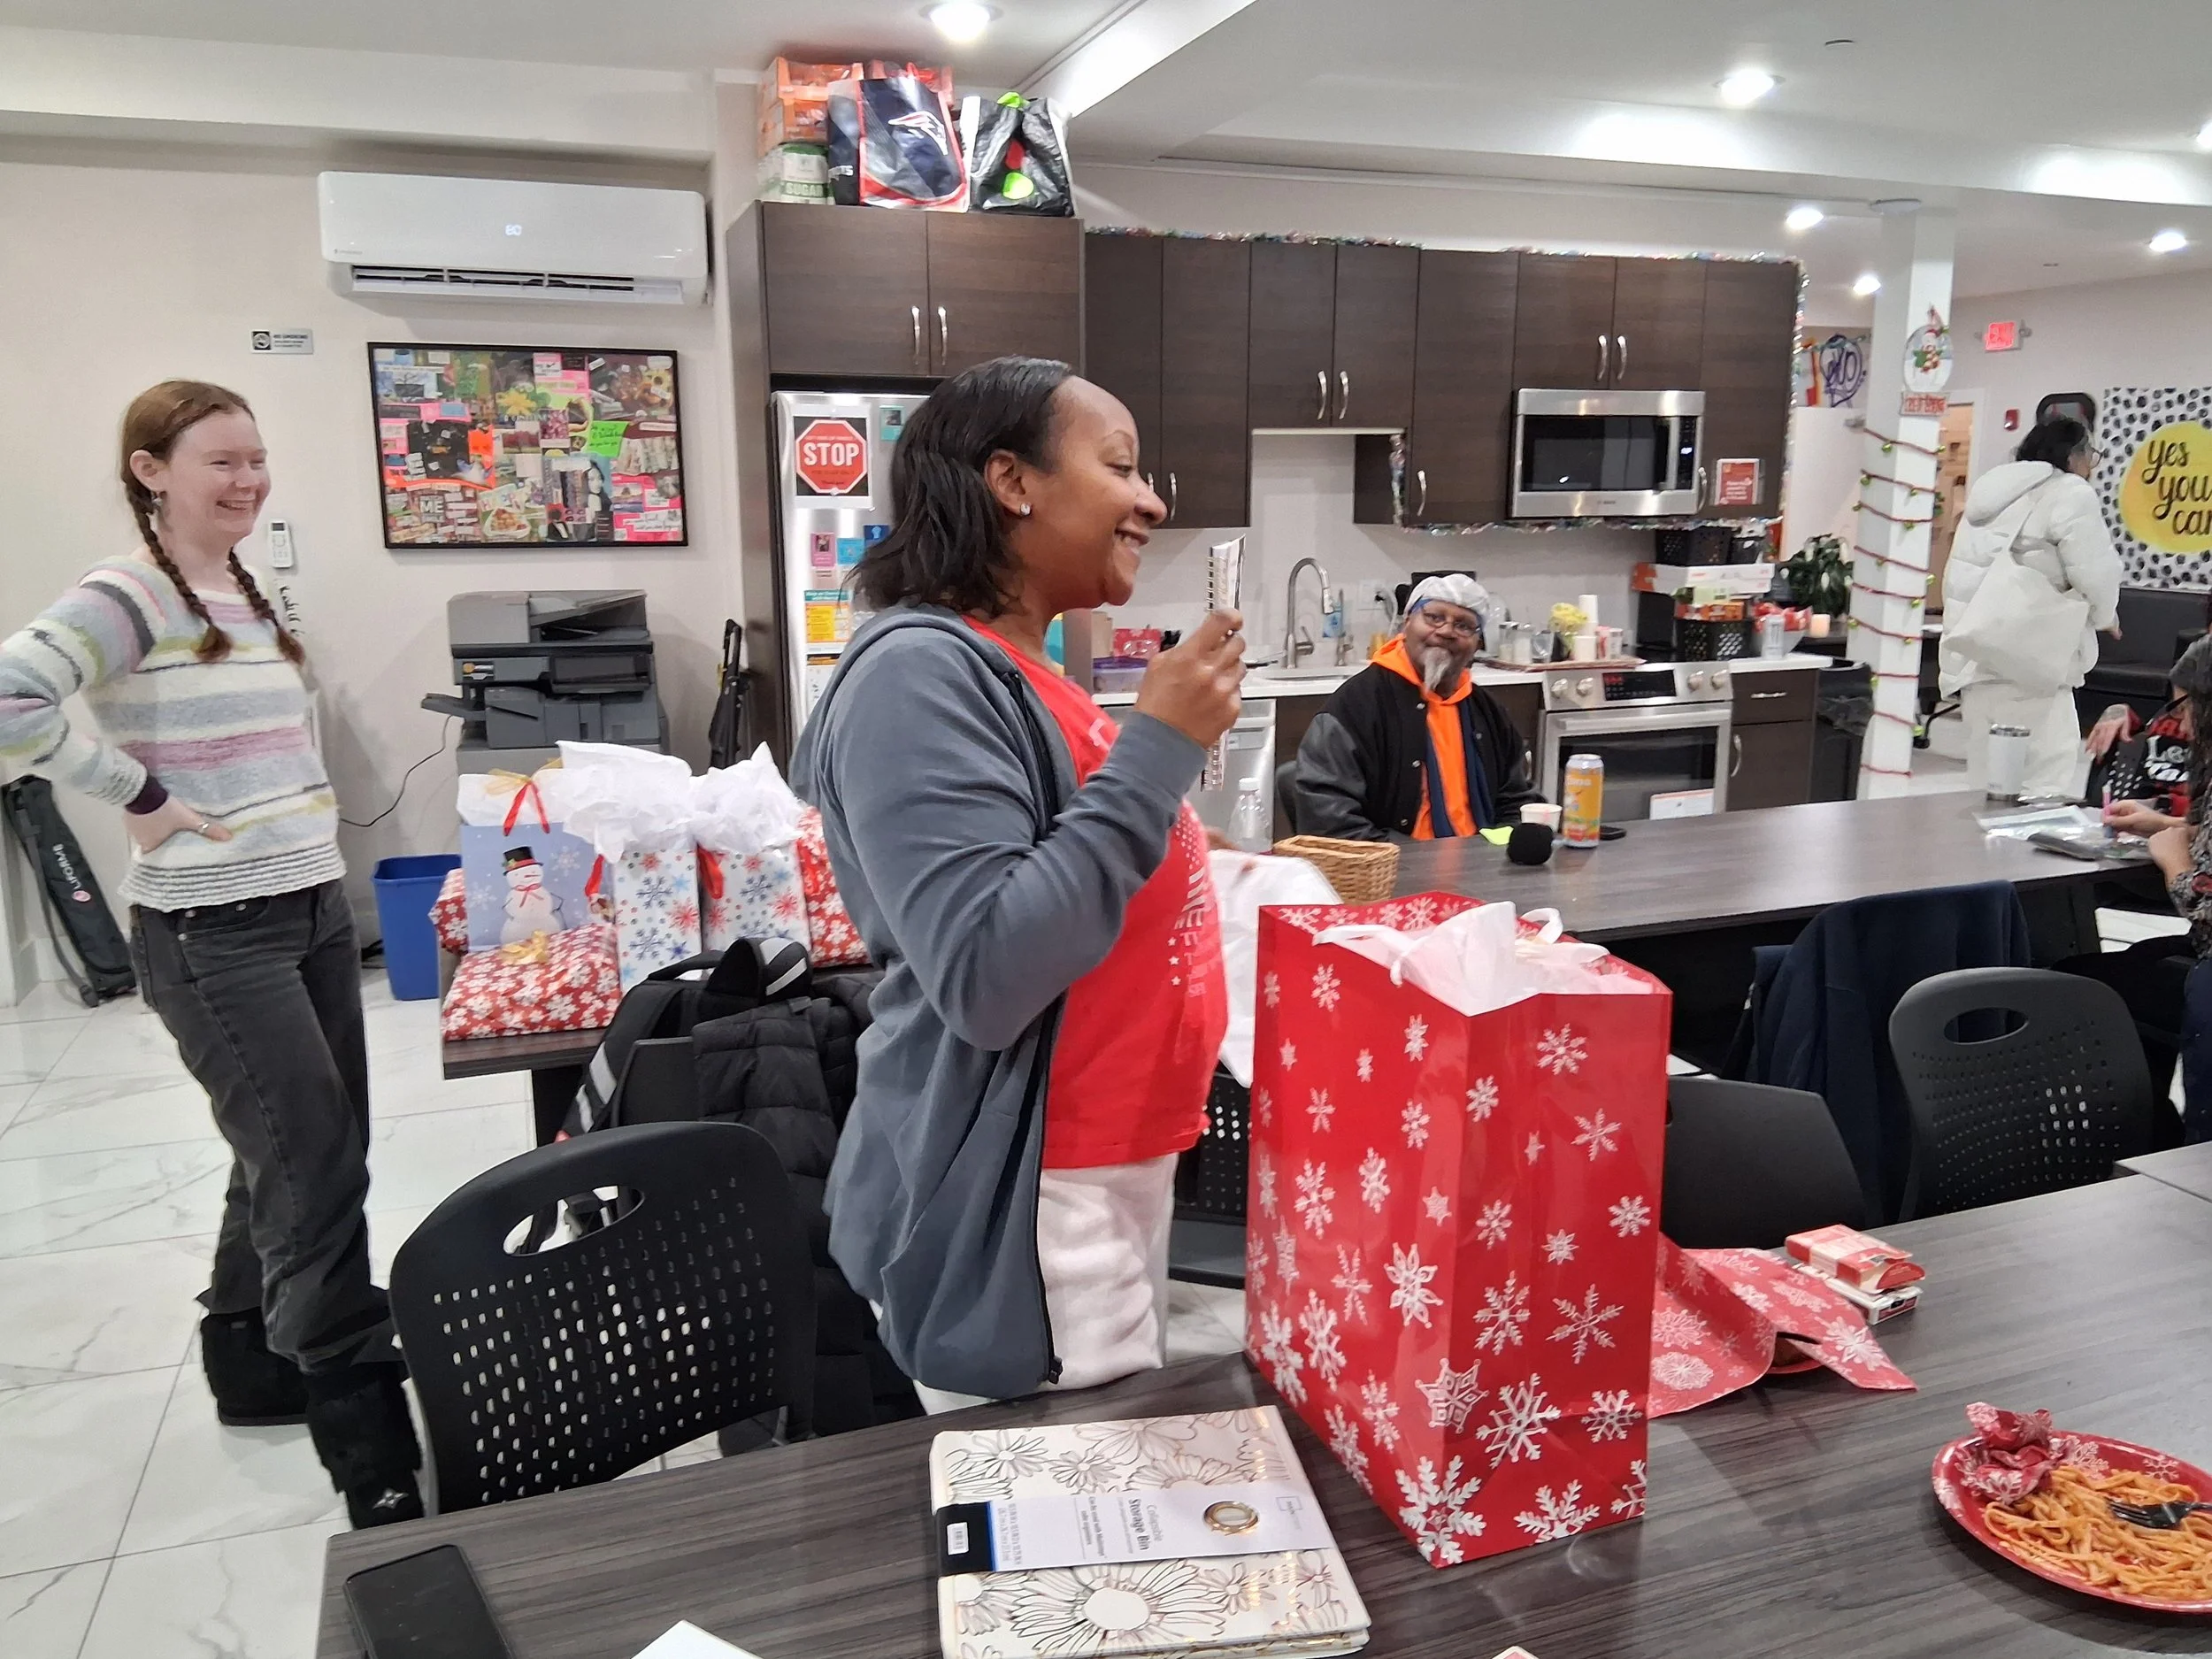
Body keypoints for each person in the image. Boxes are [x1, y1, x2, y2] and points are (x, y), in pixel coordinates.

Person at [0, 381, 420, 1526]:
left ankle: (248, 1351)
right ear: (151, 471)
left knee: (296, 1144)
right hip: (209, 925)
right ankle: (368, 1444)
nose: (247, 480)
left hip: (309, 906)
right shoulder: (128, 591)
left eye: (257, 460)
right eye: (220, 462)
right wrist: (128, 787)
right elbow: (9, 694)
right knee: (317, 1165)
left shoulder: (239, 588)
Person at [790, 356, 1243, 1408]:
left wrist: (1195, 853)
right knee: (1070, 1518)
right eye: (1120, 466)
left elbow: (1072, 855)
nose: (1151, 498)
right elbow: (990, 969)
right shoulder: (919, 673)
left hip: (1103, 1158)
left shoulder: (1029, 669)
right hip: (1029, 1187)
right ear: (1011, 481)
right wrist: (1161, 745)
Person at [1938, 416, 2123, 798]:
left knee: (1988, 787)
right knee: (2043, 784)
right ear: (2075, 455)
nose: (2092, 466)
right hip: (2031, 660)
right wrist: (2107, 615)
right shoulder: (2069, 491)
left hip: (1975, 659)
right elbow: (2094, 571)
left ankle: (1980, 857)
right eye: (2094, 456)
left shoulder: (1991, 495)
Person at [1294, 573, 1540, 841]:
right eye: (1434, 617)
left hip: (1483, 867)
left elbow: (1516, 801)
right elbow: (1328, 820)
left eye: (1464, 625)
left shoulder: (1488, 712)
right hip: (1392, 871)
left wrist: (1500, 852)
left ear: (1477, 643)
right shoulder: (1356, 707)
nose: (1446, 631)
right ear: (1406, 622)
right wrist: (1409, 862)